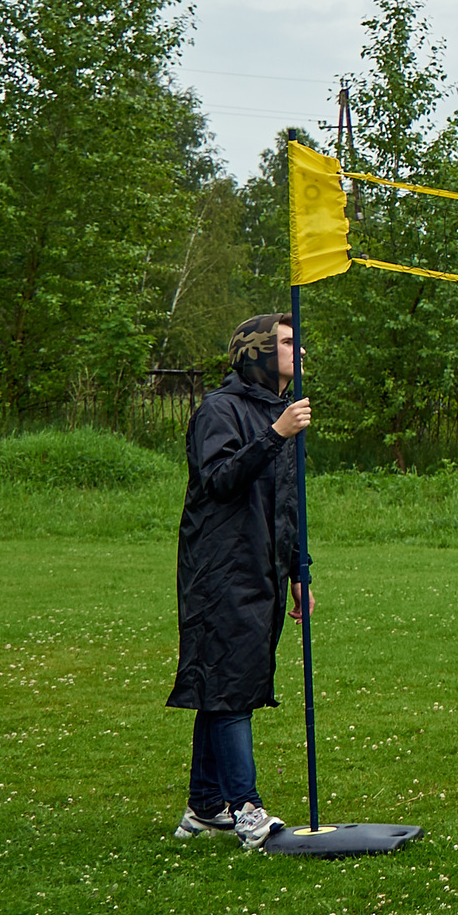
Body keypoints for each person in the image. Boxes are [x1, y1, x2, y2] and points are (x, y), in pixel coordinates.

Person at [168, 314, 314, 851]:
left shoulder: (281, 412)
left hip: (264, 569)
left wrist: (298, 570)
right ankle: (245, 809)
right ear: (255, 351)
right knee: (229, 685)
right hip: (220, 567)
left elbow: (286, 503)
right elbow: (219, 480)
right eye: (287, 341)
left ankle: (205, 807)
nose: (300, 351)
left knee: (227, 683)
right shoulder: (220, 410)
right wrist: (275, 436)